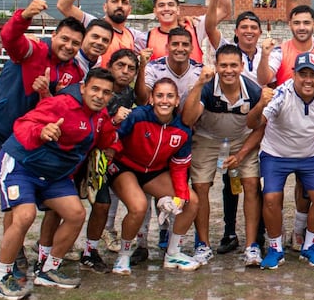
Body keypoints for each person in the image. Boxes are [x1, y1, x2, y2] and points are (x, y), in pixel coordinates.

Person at [0, 0, 85, 272]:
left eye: (75, 43)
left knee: (15, 203)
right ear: (54, 35)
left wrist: (46, 94)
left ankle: (11, 254)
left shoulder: (73, 73)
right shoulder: (34, 50)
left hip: (24, 142)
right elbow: (9, 37)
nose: (68, 46)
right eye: (65, 39)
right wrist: (25, 15)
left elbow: (59, 110)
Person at [0, 68, 118, 300]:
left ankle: (48, 270)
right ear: (83, 88)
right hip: (22, 164)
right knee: (25, 215)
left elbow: (108, 137)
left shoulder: (100, 116)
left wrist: (111, 150)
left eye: (106, 92)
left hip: (54, 176)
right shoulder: (61, 104)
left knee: (76, 214)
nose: (100, 96)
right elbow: (23, 124)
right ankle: (2, 277)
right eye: (95, 89)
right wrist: (42, 131)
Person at [248, 52, 314, 268]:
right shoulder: (281, 94)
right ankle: (275, 248)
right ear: (294, 74)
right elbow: (254, 123)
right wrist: (260, 104)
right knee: (271, 198)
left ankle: (309, 245)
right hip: (276, 153)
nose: (308, 79)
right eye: (303, 74)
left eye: (313, 75)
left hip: (310, 154)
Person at [182, 44, 265, 265]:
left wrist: (242, 154)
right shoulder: (207, 88)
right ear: (216, 66)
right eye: (223, 65)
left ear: (241, 67)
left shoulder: (253, 91)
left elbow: (260, 128)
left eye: (233, 65)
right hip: (208, 139)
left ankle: (251, 246)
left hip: (241, 140)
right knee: (200, 186)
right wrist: (199, 84)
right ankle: (203, 244)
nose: (228, 70)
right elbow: (189, 120)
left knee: (251, 183)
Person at [107, 78, 198, 275]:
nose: (164, 101)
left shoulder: (182, 130)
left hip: (153, 172)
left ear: (177, 101)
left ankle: (173, 253)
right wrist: (108, 157)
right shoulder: (138, 115)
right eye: (159, 96)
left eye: (169, 96)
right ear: (151, 99)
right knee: (138, 206)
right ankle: (123, 255)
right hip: (125, 167)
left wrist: (180, 196)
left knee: (191, 201)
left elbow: (179, 166)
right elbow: (115, 139)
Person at [79, 49, 140, 274]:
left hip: (101, 156)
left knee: (102, 203)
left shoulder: (130, 95)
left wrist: (112, 146)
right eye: (120, 65)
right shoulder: (94, 89)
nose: (125, 72)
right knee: (62, 206)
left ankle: (89, 251)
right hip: (76, 154)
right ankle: (44, 249)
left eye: (131, 68)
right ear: (110, 65)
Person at [56, 0, 146, 60]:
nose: (120, 5)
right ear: (105, 7)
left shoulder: (133, 36)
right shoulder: (92, 24)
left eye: (124, 2)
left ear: (129, 10)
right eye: (115, 1)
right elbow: (63, 6)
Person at [144, 0, 231, 62]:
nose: (166, 8)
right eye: (161, 5)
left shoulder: (195, 26)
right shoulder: (146, 38)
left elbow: (224, 10)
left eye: (171, 5)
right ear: (154, 11)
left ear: (178, 10)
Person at [136, 27, 204, 107]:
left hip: (192, 117)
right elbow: (142, 100)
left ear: (192, 48)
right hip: (161, 116)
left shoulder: (200, 71)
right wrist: (142, 67)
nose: (180, 49)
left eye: (185, 45)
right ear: (167, 47)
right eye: (175, 44)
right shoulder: (153, 68)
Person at [273, 4, 314, 85]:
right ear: (290, 25)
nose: (301, 27)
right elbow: (264, 80)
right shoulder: (279, 52)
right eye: (296, 23)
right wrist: (264, 56)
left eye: (306, 23)